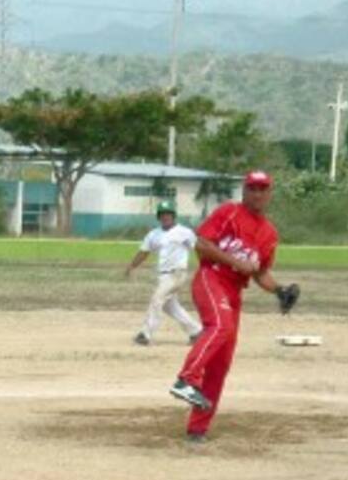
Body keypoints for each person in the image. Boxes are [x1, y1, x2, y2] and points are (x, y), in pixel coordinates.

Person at [168, 171, 295, 442]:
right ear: (244, 190)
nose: (258, 194)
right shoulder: (229, 212)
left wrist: (279, 290)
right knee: (220, 326)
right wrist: (236, 263)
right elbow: (201, 244)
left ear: (270, 193)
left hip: (234, 292)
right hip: (211, 278)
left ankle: (198, 429)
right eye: (252, 188)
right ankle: (187, 378)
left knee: (221, 363)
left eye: (263, 189)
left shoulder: (269, 233)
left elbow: (260, 273)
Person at [124, 200, 202, 347]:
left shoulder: (184, 232)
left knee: (157, 299)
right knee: (170, 307)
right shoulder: (154, 234)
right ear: (158, 217)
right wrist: (132, 266)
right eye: (162, 214)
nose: (165, 217)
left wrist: (205, 266)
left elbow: (198, 248)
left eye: (168, 214)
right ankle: (196, 331)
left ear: (174, 216)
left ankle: (145, 335)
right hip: (163, 276)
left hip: (177, 273)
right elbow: (144, 252)